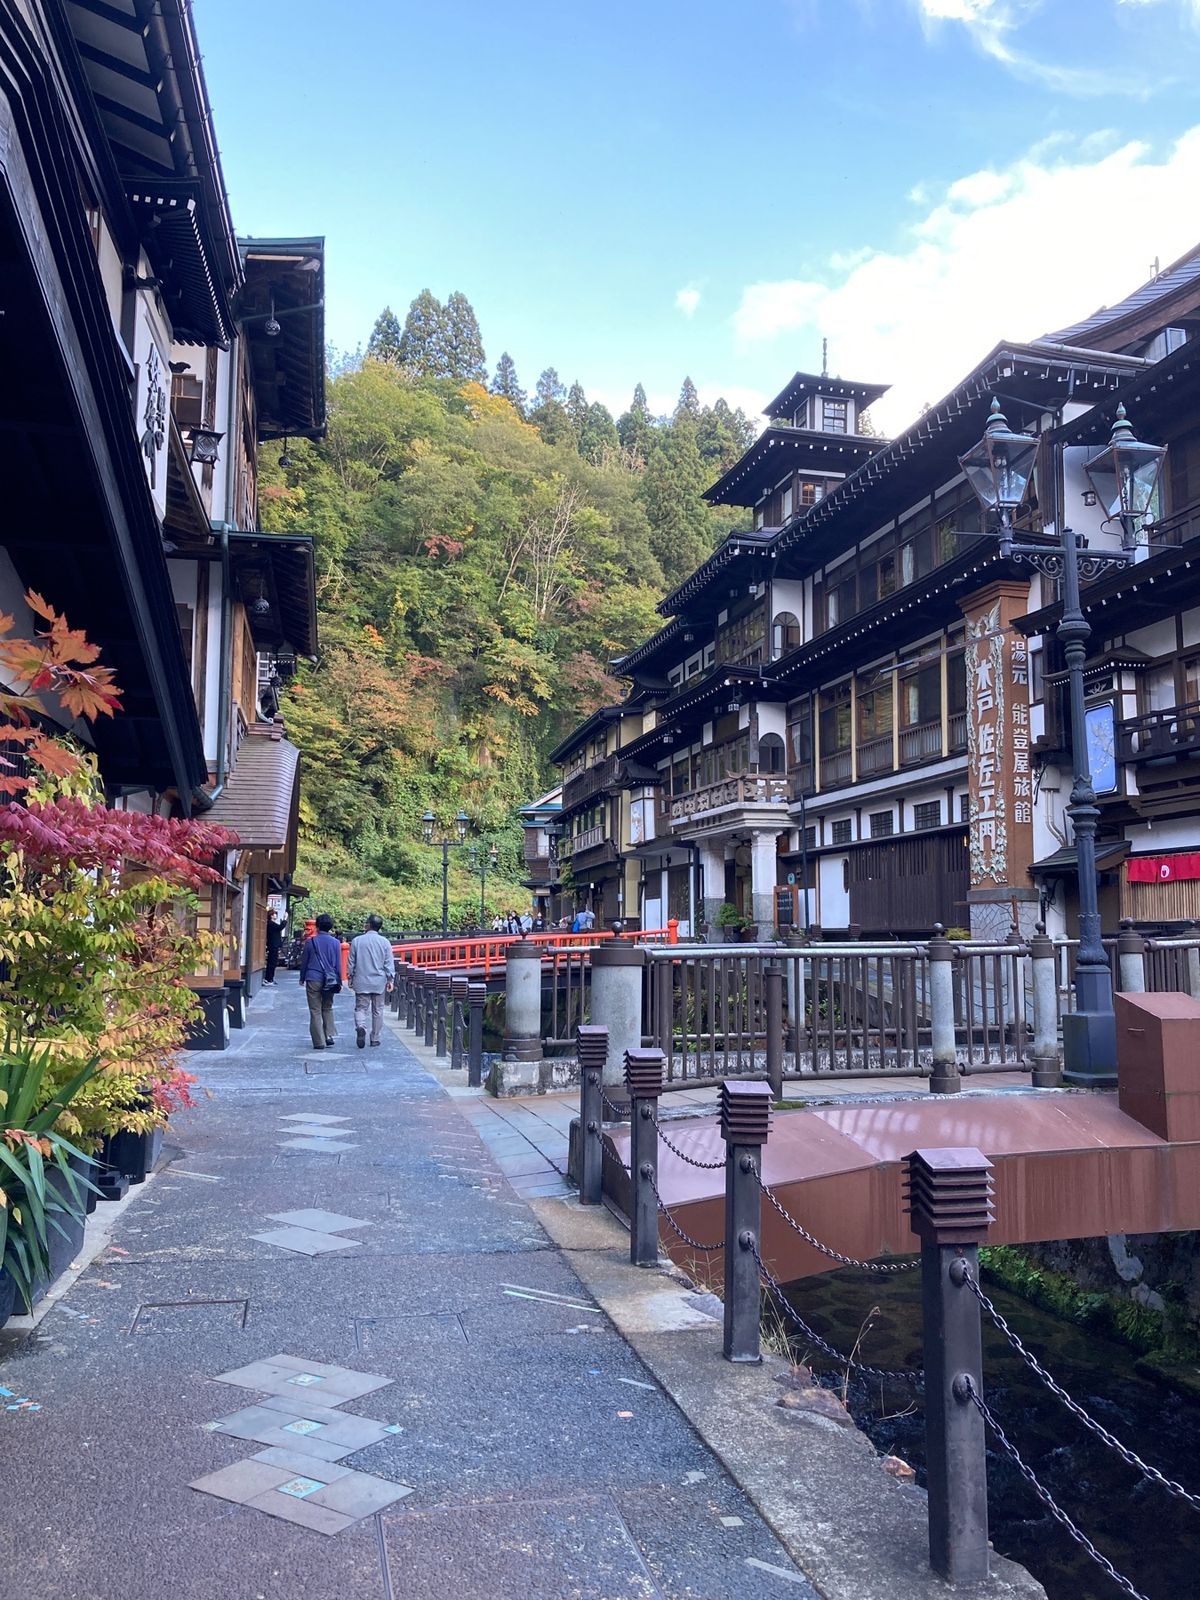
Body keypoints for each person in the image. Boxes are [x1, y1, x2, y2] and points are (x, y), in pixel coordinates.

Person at [347, 913, 396, 1048]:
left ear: (369, 925)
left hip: (361, 979)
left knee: (361, 1008)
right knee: (378, 1010)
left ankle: (361, 1026)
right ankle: (375, 1038)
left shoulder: (357, 941)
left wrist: (350, 977)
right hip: (379, 981)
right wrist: (390, 979)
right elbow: (388, 963)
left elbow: (351, 962)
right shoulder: (385, 942)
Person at [298, 912, 342, 1050]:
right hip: (330, 979)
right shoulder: (335, 943)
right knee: (327, 1007)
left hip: (313, 977)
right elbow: (338, 964)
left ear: (317, 926)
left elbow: (304, 961)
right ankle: (328, 1035)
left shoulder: (311, 942)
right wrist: (339, 981)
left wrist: (302, 977)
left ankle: (319, 1041)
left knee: (315, 1010)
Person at [264, 908, 284, 985]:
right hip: (273, 945)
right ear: (271, 916)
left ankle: (270, 978)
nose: (275, 915)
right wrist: (285, 919)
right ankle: (269, 979)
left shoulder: (271, 924)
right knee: (272, 963)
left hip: (273, 945)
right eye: (274, 914)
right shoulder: (271, 924)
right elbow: (280, 927)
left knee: (272, 962)